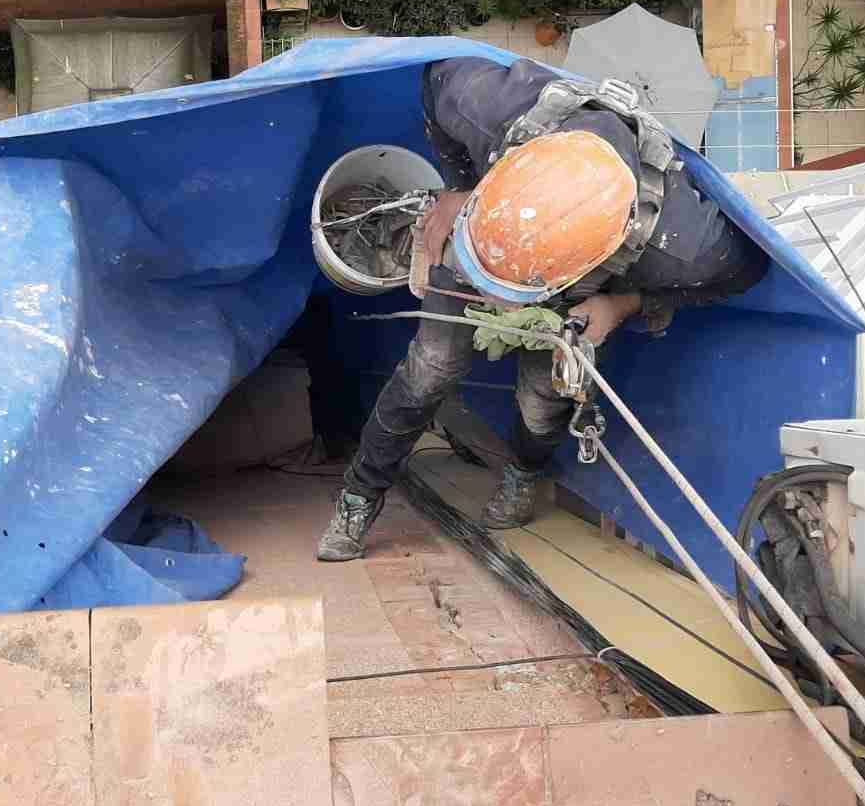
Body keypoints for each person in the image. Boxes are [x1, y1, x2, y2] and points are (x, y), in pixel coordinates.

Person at [316, 56, 771, 562]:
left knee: (544, 395)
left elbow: (748, 273)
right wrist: (459, 188)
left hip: (580, 282)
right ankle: (359, 496)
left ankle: (522, 474)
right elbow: (434, 76)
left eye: (503, 289)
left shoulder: (685, 247)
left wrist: (623, 303)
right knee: (429, 370)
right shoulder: (480, 104)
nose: (492, 300)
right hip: (483, 223)